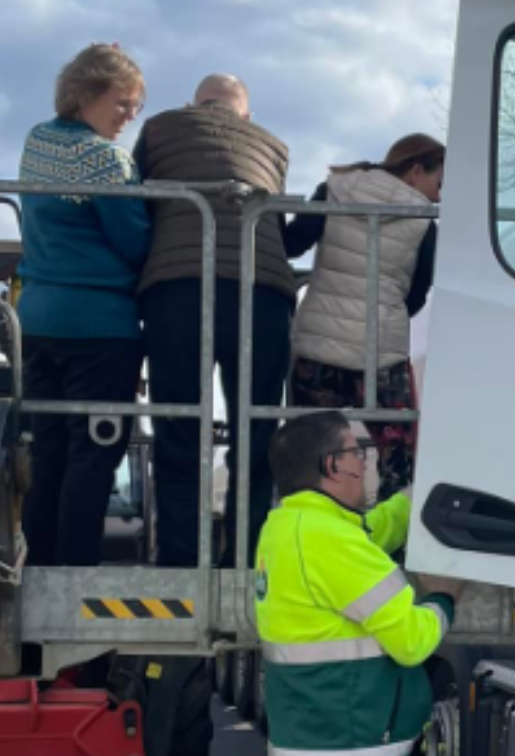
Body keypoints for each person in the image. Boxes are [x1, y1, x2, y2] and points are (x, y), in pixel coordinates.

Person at [132, 74, 296, 567]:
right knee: (257, 431)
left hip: (179, 288)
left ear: (194, 105)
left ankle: (181, 562)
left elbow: (136, 204)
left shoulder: (161, 129)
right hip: (260, 291)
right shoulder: (273, 146)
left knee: (180, 429)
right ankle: (246, 559)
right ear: (245, 116)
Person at [15, 43, 151, 567]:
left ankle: (37, 572)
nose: (130, 116)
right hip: (101, 328)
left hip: (38, 320)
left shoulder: (37, 140)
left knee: (47, 455)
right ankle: (74, 578)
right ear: (86, 94)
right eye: (123, 102)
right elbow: (133, 241)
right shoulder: (105, 158)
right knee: (94, 458)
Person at [256, 411, 458, 755]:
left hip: (317, 736)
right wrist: (444, 597)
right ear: (333, 465)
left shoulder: (287, 526)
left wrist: (418, 495)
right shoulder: (328, 538)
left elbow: (369, 532)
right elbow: (412, 641)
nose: (365, 464)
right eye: (357, 453)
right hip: (353, 741)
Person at [283, 134, 445, 502]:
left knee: (309, 453)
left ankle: (310, 535)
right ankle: (388, 545)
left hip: (317, 347)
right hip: (380, 355)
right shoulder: (423, 218)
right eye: (439, 183)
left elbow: (292, 244)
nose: (438, 196)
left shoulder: (334, 189)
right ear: (416, 170)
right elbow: (417, 293)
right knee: (399, 456)